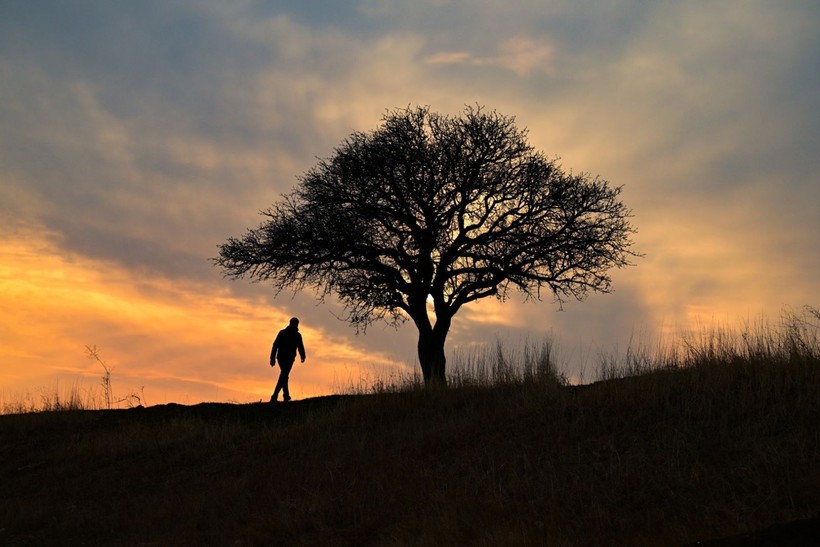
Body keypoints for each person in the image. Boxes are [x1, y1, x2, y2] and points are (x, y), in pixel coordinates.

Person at [269, 317, 306, 402]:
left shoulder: (297, 335)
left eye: (296, 323)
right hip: (281, 357)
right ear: (290, 323)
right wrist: (272, 358)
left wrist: (303, 356)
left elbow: (300, 346)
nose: (295, 325)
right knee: (284, 375)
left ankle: (284, 396)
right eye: (294, 323)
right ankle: (276, 396)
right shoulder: (282, 333)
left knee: (284, 375)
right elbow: (275, 345)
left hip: (290, 359)